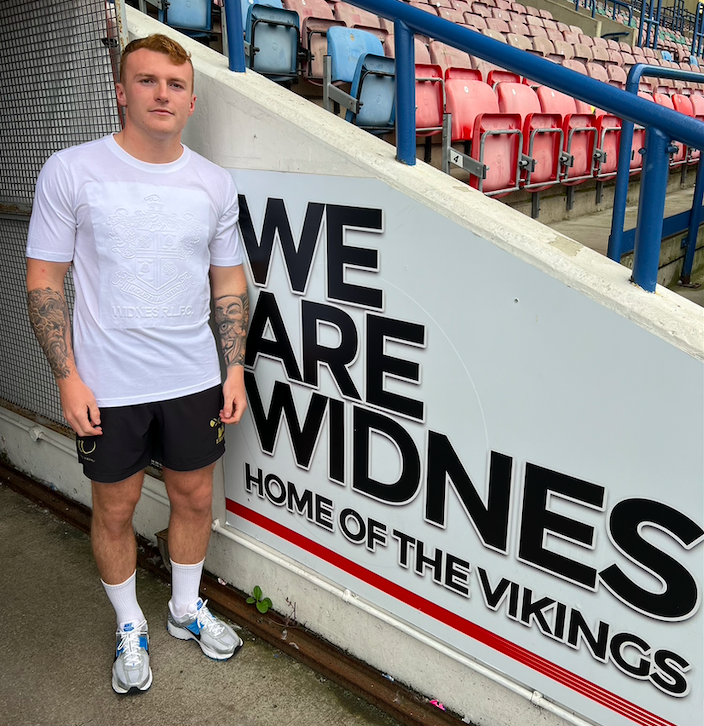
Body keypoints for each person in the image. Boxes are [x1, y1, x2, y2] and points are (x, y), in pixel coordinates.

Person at [25, 34, 248, 695]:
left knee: (196, 498)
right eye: (147, 81)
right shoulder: (71, 170)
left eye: (175, 84)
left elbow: (228, 283)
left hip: (194, 379)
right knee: (116, 507)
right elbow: (44, 280)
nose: (162, 94)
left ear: (192, 101)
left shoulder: (214, 184)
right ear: (121, 92)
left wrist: (234, 369)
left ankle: (184, 608)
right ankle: (130, 625)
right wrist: (67, 377)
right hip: (108, 384)